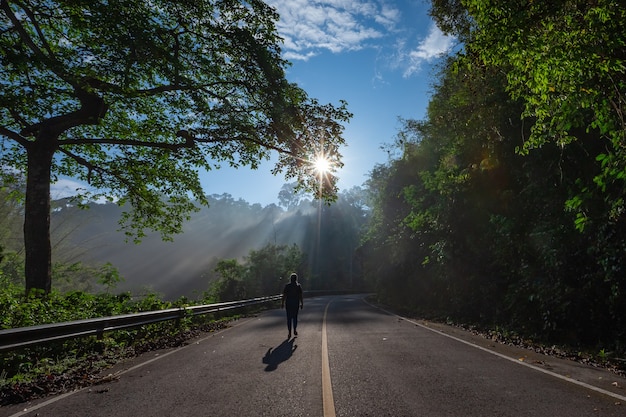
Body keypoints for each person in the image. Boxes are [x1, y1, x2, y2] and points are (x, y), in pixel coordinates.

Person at [281, 273, 303, 339]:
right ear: (296, 279)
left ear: (290, 279)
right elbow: (300, 296)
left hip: (289, 303)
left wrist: (282, 303)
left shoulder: (287, 286)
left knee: (289, 318)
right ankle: (295, 330)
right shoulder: (298, 286)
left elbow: (284, 295)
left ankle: (289, 332)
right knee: (295, 317)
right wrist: (302, 303)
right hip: (295, 303)